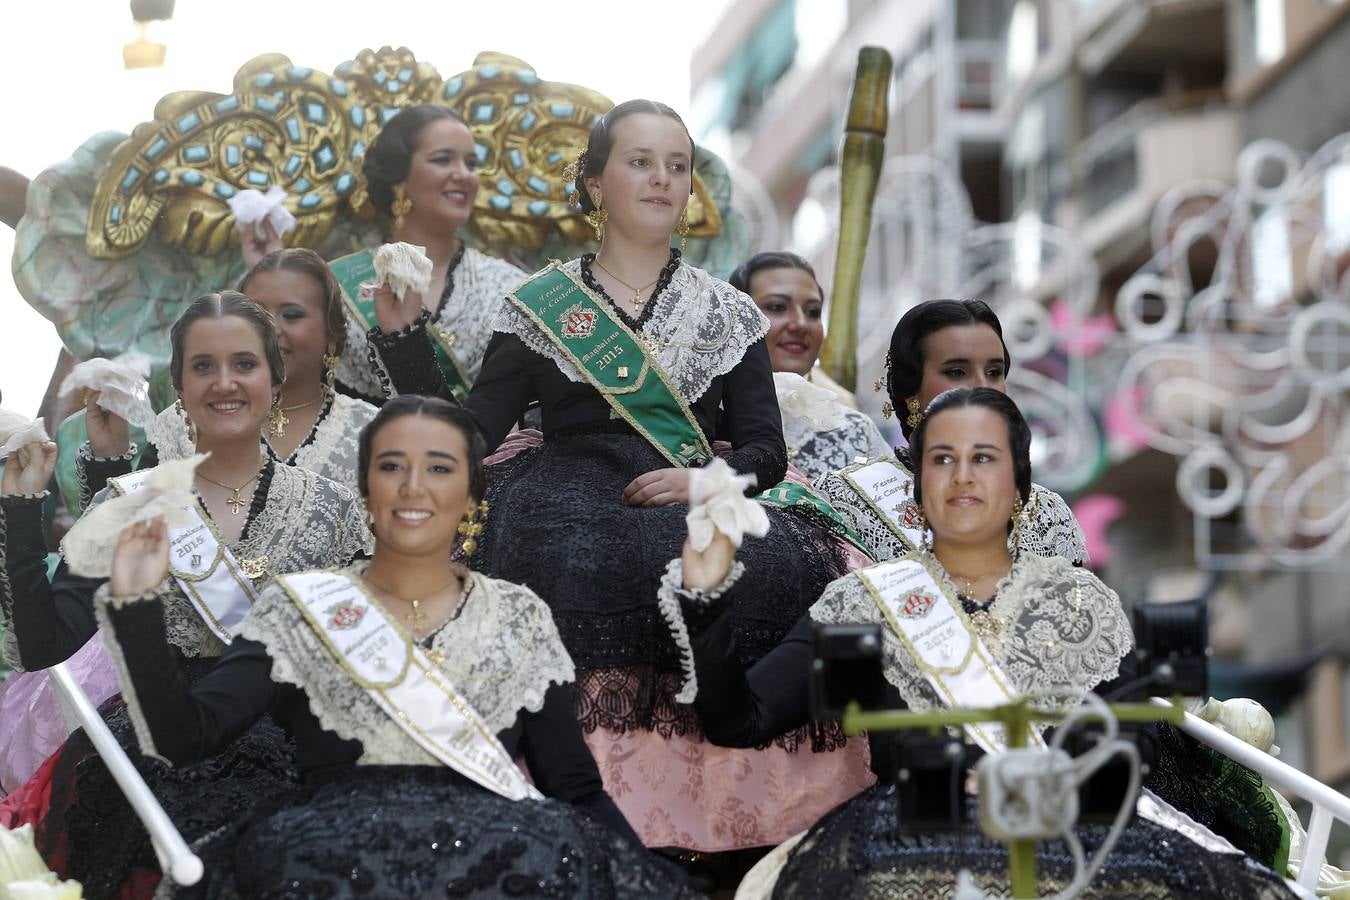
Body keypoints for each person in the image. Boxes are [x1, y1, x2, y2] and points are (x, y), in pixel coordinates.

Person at [423, 100, 874, 856]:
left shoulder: (728, 313)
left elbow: (763, 447)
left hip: (700, 487)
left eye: (677, 165)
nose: (662, 179)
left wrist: (706, 482)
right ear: (596, 182)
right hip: (564, 486)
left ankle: (738, 815)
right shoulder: (538, 307)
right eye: (640, 161)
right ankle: (587, 811)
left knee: (754, 571)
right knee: (564, 563)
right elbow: (480, 428)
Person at [666, 388, 1296, 898]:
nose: (962, 477)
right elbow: (739, 720)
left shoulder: (1078, 601)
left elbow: (1133, 741)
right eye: (941, 458)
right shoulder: (867, 606)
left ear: (1020, 487)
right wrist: (705, 601)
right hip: (918, 838)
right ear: (917, 489)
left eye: (985, 458)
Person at [92, 396, 695, 897]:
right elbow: (183, 738)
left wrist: (652, 879)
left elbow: (577, 789)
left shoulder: (519, 617)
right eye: (391, 466)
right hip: (325, 862)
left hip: (498, 863)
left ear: (472, 494)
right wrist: (136, 609)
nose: (414, 487)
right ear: (364, 490)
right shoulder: (301, 609)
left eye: (439, 467)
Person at [0, 292, 369, 898]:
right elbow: (38, 646)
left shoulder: (334, 510)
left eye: (244, 364)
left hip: (297, 745)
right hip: (156, 738)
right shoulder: (131, 501)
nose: (225, 383)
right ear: (179, 385)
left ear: (275, 378)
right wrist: (21, 510)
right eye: (204, 366)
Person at [240, 104, 527, 403]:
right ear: (399, 176)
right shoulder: (333, 283)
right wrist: (275, 279)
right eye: (443, 160)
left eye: (471, 163)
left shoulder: (508, 285)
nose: (464, 175)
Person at [76, 249, 377, 504]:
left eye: (292, 315)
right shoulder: (181, 424)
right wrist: (109, 457)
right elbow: (116, 544)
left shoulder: (370, 430)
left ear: (332, 332)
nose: (271, 329)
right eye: (256, 315)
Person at [818, 299, 1087, 564]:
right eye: (957, 372)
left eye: (994, 372)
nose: (982, 387)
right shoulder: (846, 498)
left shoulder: (1045, 511)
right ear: (911, 390)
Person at [728, 252, 889, 482]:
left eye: (813, 312)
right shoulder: (705, 418)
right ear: (734, 320)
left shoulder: (855, 432)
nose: (800, 324)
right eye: (777, 306)